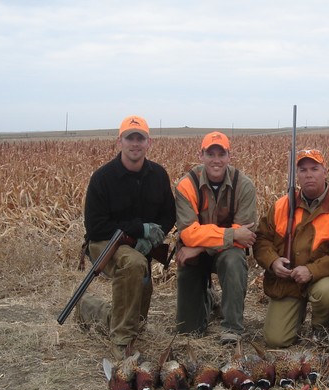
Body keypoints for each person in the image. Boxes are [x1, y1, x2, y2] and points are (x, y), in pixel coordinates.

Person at [77, 115, 176, 359]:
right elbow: (95, 226)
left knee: (137, 320)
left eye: (140, 138)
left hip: (139, 247)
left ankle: (88, 308)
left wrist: (154, 237)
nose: (135, 143)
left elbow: (169, 215)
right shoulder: (103, 177)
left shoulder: (158, 175)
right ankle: (121, 342)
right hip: (105, 243)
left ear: (148, 142)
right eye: (129, 138)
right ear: (119, 141)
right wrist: (138, 230)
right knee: (134, 264)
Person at [253, 149, 329, 348]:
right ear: (296, 174)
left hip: (321, 278)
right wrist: (273, 261)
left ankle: (320, 328)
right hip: (288, 283)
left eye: (315, 168)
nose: (309, 174)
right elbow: (262, 239)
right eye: (303, 170)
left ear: (325, 171)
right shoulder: (281, 205)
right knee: (276, 340)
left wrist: (311, 270)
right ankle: (294, 320)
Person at [174, 131, 257, 345]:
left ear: (230, 156)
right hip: (193, 256)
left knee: (234, 260)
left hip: (217, 253)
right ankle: (210, 299)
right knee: (189, 331)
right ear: (200, 156)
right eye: (211, 154)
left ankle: (232, 329)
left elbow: (245, 237)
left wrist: (200, 247)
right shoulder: (186, 185)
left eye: (222, 154)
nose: (216, 160)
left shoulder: (244, 185)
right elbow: (187, 232)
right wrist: (231, 234)